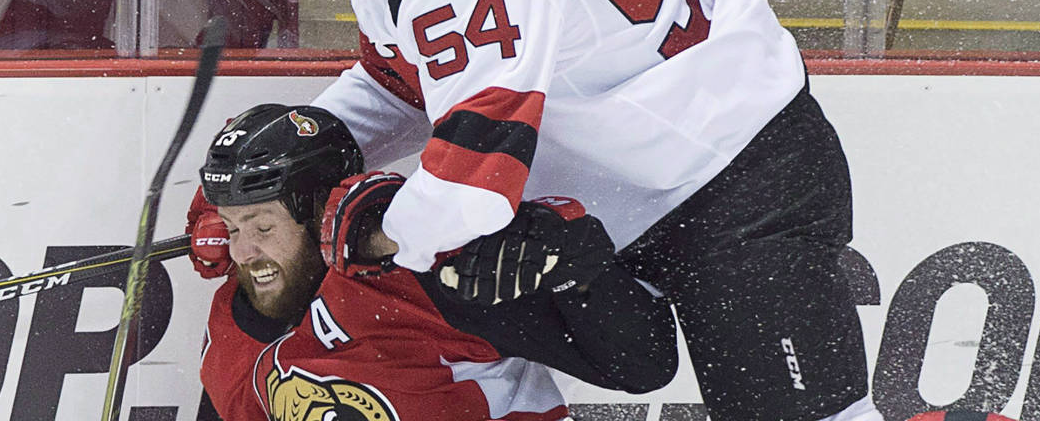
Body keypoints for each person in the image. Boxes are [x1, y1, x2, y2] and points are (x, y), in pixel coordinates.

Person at [305, 0, 882, 421]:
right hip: (643, 190)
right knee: (464, 268)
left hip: (741, 180)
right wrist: (311, 142)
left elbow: (471, 184)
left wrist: (368, 231)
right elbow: (406, 81)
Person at [188, 103, 677, 420]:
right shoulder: (234, 323)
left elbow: (641, 368)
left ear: (322, 209)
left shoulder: (430, 282)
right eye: (232, 227)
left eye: (263, 227)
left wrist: (577, 262)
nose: (242, 253)